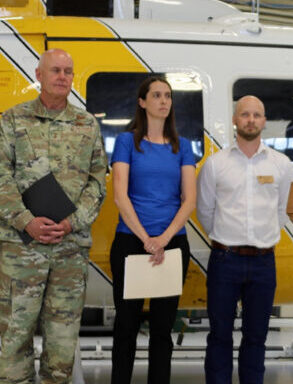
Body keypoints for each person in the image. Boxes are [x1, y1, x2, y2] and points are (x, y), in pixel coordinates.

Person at [0, 49, 107, 384]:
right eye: (55, 70)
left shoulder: (87, 124)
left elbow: (98, 183)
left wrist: (73, 222)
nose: (62, 76)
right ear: (38, 75)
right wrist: (26, 221)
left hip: (69, 248)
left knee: (62, 343)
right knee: (16, 338)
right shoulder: (13, 120)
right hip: (21, 247)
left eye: (68, 71)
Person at [197, 95, 292, 384]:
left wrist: (262, 237)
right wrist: (228, 238)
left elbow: (281, 211)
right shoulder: (215, 164)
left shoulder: (281, 164)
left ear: (264, 121)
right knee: (219, 335)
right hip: (225, 260)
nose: (251, 120)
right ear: (235, 121)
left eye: (257, 115)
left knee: (256, 337)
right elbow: (205, 211)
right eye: (245, 114)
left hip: (264, 262)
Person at [109, 76, 196, 384]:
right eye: (156, 95)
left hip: (171, 244)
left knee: (162, 329)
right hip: (131, 242)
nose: (164, 101)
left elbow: (189, 201)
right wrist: (147, 239)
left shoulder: (183, 146)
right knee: (126, 325)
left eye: (168, 96)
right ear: (142, 102)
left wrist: (163, 239)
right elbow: (121, 195)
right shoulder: (126, 142)